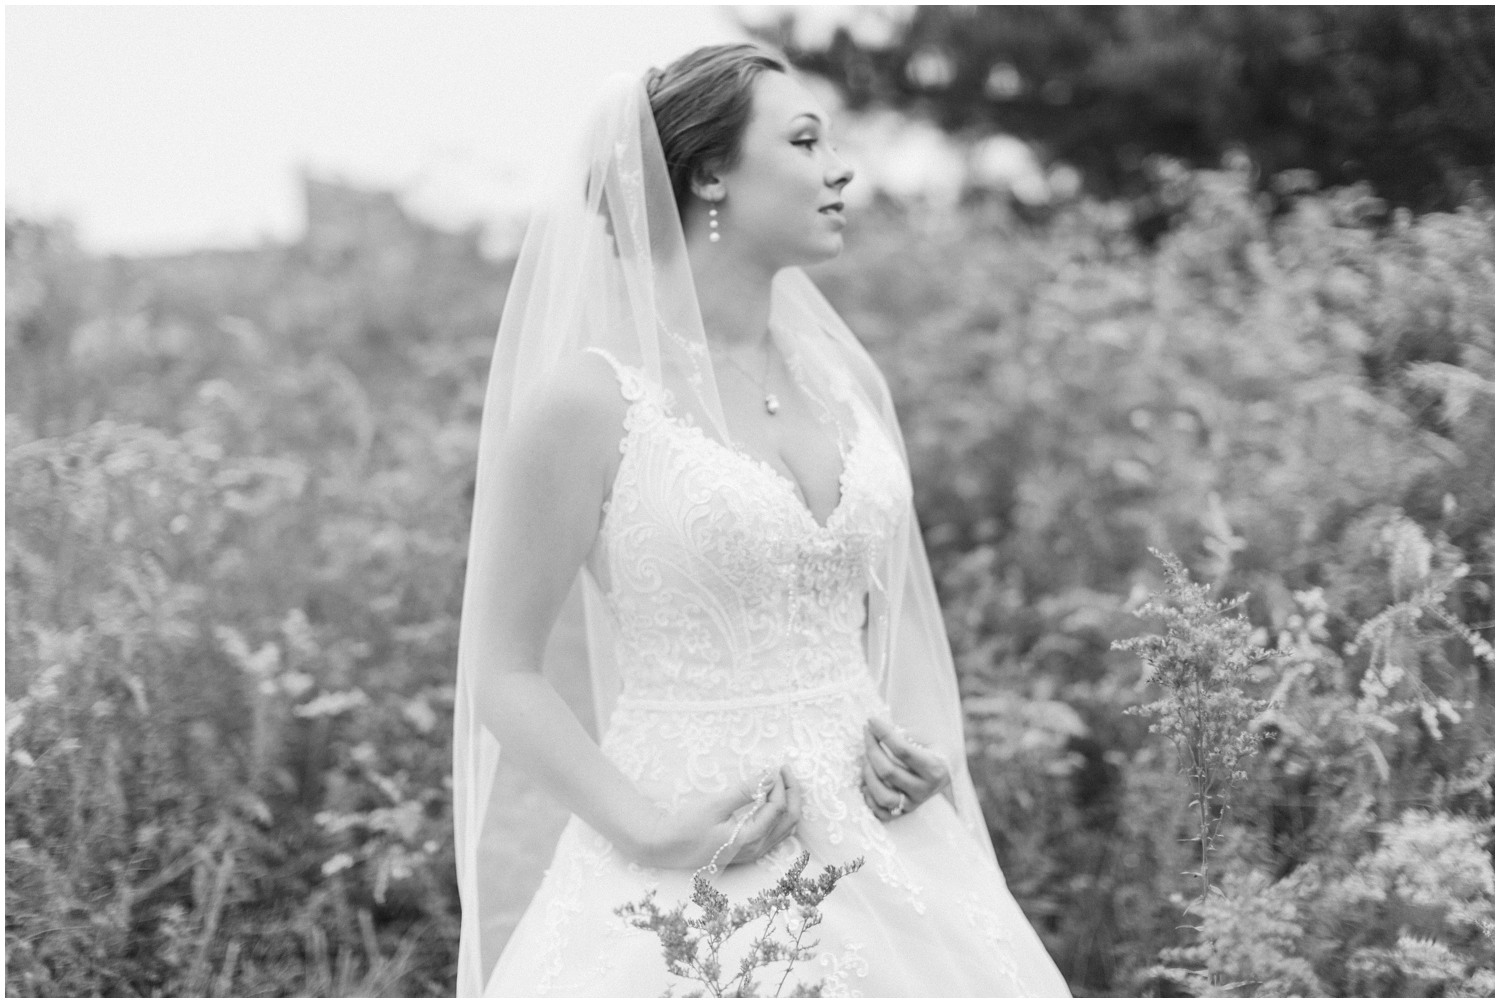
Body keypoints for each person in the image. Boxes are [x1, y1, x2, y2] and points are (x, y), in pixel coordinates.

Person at [452, 43, 1072, 997]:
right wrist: (652, 828)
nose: (842, 169)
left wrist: (919, 749)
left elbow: (888, 615)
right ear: (709, 175)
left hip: (890, 846)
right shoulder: (587, 402)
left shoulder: (844, 384)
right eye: (806, 140)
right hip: (695, 840)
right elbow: (502, 671)